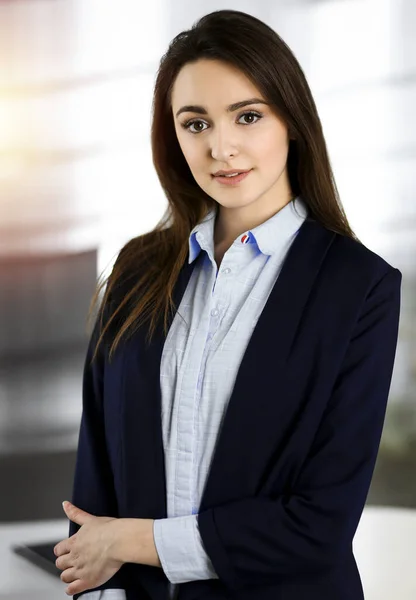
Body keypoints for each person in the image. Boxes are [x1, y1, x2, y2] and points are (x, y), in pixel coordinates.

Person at [53, 9, 402, 600]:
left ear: (291, 121)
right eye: (195, 124)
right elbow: (92, 499)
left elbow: (318, 525)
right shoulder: (138, 269)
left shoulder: (359, 286)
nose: (222, 148)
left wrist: (132, 542)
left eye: (247, 115)